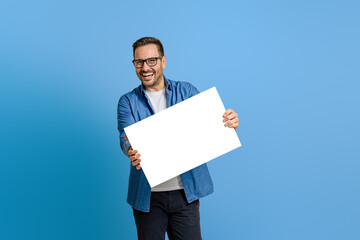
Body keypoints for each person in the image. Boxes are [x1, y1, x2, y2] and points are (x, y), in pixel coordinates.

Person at [117, 37, 239, 240]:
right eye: (139, 62)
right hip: (147, 198)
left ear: (163, 61)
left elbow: (211, 124)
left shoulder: (187, 91)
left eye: (151, 61)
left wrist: (229, 122)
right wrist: (130, 150)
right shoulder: (127, 101)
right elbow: (125, 136)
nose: (145, 67)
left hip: (185, 194)